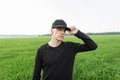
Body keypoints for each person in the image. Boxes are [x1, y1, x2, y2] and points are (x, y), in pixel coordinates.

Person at [32, 19, 97, 80]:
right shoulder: (41, 50)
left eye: (64, 30)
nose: (63, 32)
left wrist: (78, 33)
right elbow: (36, 75)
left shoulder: (70, 47)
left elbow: (93, 46)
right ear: (51, 30)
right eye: (59, 29)